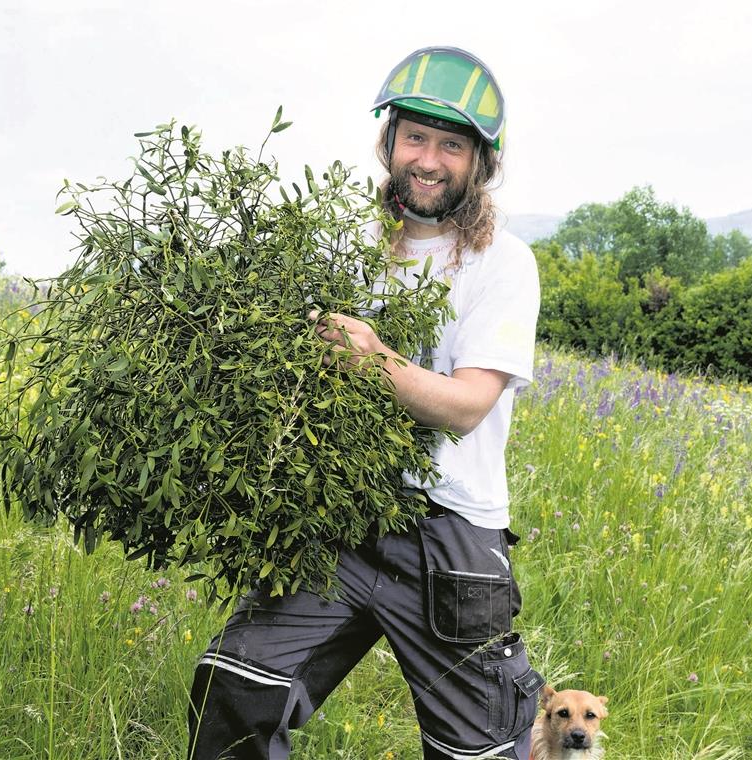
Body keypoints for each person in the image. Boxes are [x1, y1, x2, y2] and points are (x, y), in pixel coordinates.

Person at [188, 45, 542, 760]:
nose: (430, 159)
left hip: (452, 539)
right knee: (233, 689)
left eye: (452, 144)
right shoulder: (349, 242)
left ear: (481, 162)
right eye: (415, 136)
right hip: (342, 520)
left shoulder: (503, 263)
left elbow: (468, 404)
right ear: (388, 141)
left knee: (481, 753)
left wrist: (372, 357)